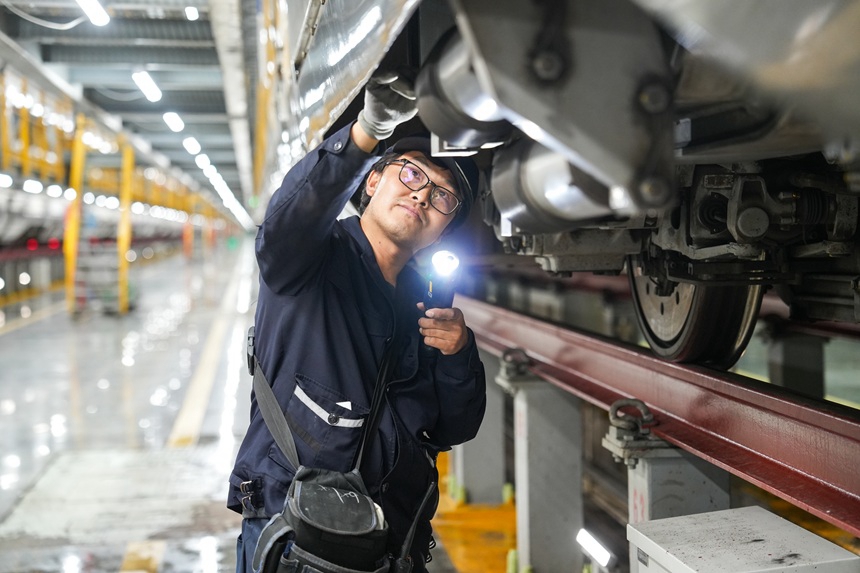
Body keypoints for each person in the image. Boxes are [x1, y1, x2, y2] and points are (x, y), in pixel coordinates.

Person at [228, 69, 487, 573]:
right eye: (411, 175)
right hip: (297, 537)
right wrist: (367, 131)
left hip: (392, 544)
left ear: (440, 232)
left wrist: (459, 356)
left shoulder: (426, 300)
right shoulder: (310, 260)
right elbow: (292, 217)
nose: (421, 196)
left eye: (442, 197)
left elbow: (455, 426)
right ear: (371, 181)